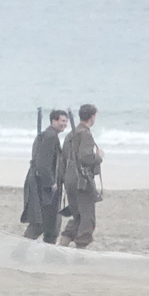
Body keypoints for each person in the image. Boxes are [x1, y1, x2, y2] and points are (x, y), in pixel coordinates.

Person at [58, 103, 103, 248]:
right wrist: (98, 157)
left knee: (77, 216)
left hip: (69, 180)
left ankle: (63, 245)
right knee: (87, 219)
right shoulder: (86, 134)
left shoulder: (71, 134)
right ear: (92, 117)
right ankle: (80, 251)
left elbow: (63, 158)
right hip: (82, 182)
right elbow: (86, 157)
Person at [21, 109, 71, 241]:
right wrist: (51, 183)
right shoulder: (50, 137)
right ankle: (21, 251)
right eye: (62, 121)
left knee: (48, 222)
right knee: (42, 221)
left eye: (66, 121)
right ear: (54, 121)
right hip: (44, 187)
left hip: (41, 184)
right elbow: (43, 163)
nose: (65, 124)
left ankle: (47, 251)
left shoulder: (47, 135)